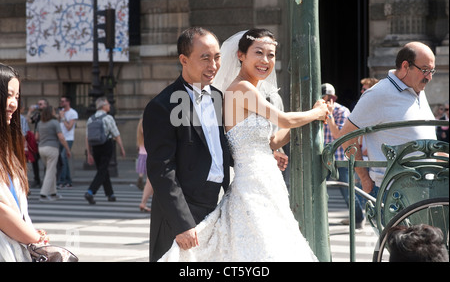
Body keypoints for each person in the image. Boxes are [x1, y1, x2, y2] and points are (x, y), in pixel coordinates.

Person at [156, 28, 330, 262]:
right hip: (237, 188)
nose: (265, 61)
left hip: (260, 181)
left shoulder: (219, 96)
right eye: (259, 53)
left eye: (271, 55)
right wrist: (316, 112)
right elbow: (161, 170)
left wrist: (270, 151)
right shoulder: (240, 89)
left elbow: (256, 141)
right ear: (240, 55)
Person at [143, 27, 232, 262]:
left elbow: (218, 147)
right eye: (205, 58)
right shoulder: (162, 105)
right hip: (183, 211)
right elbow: (162, 169)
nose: (213, 65)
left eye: (217, 57)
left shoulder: (217, 97)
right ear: (184, 60)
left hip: (217, 205)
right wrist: (182, 223)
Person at [340, 42, 438, 196]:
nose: (430, 77)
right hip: (393, 192)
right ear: (406, 66)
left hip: (426, 189)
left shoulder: (417, 89)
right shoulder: (378, 94)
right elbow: (347, 135)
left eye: (432, 71)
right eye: (425, 70)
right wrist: (364, 178)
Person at [0, 63, 49, 261]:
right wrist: (36, 238)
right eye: (8, 95)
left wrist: (28, 232)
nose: (13, 103)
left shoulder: (8, 151)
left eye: (17, 97)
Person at [322, 83, 365, 229]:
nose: (326, 101)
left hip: (340, 157)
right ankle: (319, 219)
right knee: (318, 188)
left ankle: (358, 219)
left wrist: (329, 117)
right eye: (323, 98)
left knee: (347, 191)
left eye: (329, 98)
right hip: (323, 157)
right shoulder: (315, 110)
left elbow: (338, 135)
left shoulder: (342, 111)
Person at [84, 97, 126, 205]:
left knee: (103, 169)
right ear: (103, 106)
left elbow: (87, 138)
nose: (109, 106)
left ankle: (110, 194)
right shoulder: (108, 118)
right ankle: (90, 192)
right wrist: (121, 148)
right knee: (102, 170)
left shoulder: (90, 119)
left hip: (95, 146)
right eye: (107, 104)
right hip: (106, 145)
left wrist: (89, 153)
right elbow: (116, 134)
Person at [35, 106, 72, 202]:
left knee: (51, 170)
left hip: (41, 148)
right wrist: (67, 149)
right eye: (54, 111)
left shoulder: (40, 123)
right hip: (52, 148)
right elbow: (61, 137)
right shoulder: (54, 123)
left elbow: (36, 137)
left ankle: (53, 193)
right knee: (50, 171)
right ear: (51, 112)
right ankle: (43, 194)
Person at [26, 98, 48, 188]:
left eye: (41, 104)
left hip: (45, 141)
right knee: (34, 160)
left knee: (46, 162)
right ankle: (37, 179)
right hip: (36, 141)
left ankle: (46, 180)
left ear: (46, 105)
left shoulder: (48, 115)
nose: (39, 106)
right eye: (38, 104)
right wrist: (29, 111)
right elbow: (29, 120)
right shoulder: (37, 115)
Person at [57, 96, 78, 188]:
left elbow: (69, 127)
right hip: (60, 138)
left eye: (63, 101)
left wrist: (63, 117)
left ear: (68, 102)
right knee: (62, 159)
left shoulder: (73, 113)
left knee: (63, 156)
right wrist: (59, 116)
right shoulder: (61, 112)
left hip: (68, 138)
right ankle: (68, 180)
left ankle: (62, 180)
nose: (61, 103)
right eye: (61, 101)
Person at [136, 117, 153, 212]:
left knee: (152, 181)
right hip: (147, 155)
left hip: (144, 155)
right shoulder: (144, 121)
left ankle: (146, 202)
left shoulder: (142, 122)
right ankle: (143, 202)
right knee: (150, 181)